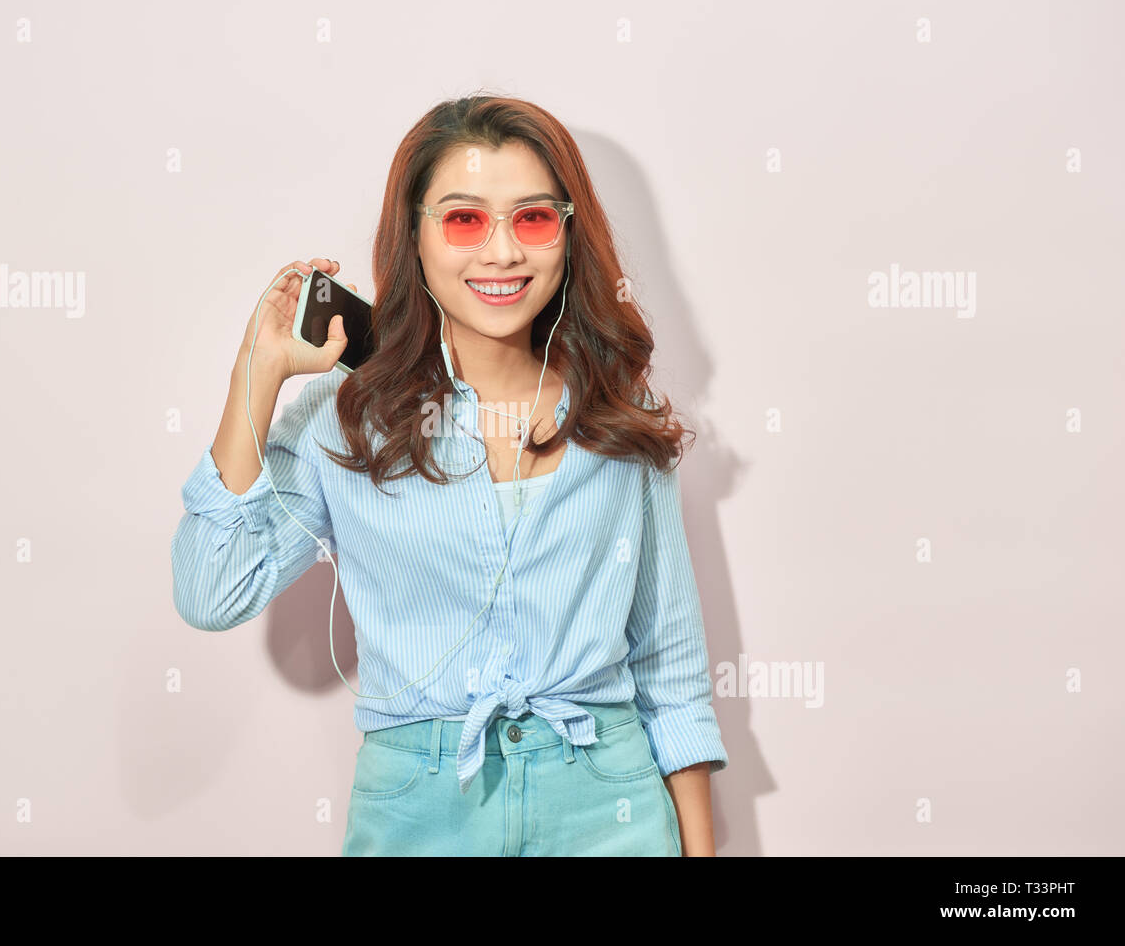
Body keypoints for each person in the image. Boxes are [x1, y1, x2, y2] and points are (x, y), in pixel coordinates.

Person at [170, 93, 727, 856]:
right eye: (464, 219)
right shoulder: (345, 417)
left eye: (531, 217)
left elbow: (670, 667)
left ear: (567, 233)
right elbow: (211, 588)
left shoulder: (615, 408)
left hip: (608, 806)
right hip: (420, 812)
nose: (501, 252)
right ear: (416, 237)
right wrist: (257, 376)